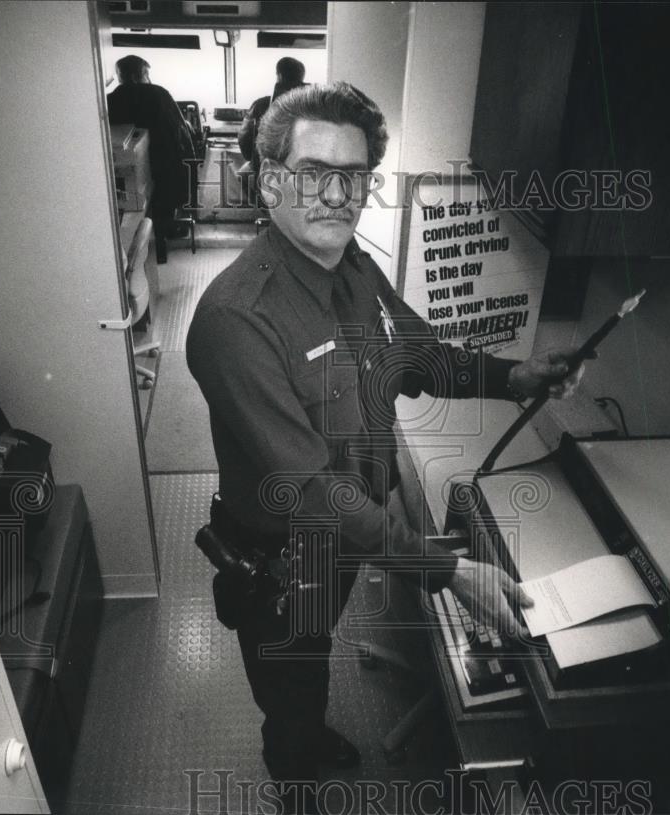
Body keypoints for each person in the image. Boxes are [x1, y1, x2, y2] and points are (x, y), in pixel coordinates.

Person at [186, 82, 589, 812]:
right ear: (272, 178)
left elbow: (420, 356)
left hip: (345, 544)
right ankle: (297, 773)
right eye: (316, 172)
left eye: (357, 174)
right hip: (284, 555)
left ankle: (309, 736)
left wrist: (514, 374)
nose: (340, 192)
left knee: (316, 660)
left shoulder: (359, 272)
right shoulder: (235, 319)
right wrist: (443, 568)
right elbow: (312, 490)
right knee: (292, 678)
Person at [107, 55, 195, 262]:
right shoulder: (160, 94)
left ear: (120, 75)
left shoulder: (110, 100)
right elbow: (181, 131)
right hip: (167, 165)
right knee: (163, 209)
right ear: (141, 74)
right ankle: (162, 250)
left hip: (130, 172)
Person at [237, 57, 309, 190]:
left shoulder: (260, 105)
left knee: (243, 174)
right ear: (302, 77)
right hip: (304, 172)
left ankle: (266, 208)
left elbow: (245, 142)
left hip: (269, 171)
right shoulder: (312, 103)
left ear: (279, 76)